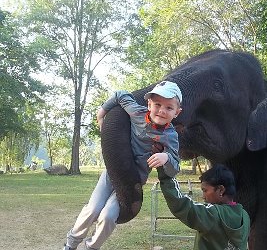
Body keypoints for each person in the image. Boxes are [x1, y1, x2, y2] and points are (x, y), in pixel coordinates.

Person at [63, 81, 182, 250]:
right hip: (113, 170)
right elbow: (121, 94)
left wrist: (166, 157)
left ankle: (91, 247)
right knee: (93, 209)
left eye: (169, 108)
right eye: (157, 104)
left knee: (108, 216)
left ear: (177, 112)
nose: (162, 110)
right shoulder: (138, 114)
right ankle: (71, 244)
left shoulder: (171, 136)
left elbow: (175, 167)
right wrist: (101, 113)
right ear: (149, 104)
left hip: (133, 180)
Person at [155, 163, 250, 250]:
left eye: (205, 190)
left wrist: (165, 172)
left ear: (221, 190)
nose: (203, 196)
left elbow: (181, 205)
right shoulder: (244, 215)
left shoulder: (213, 215)